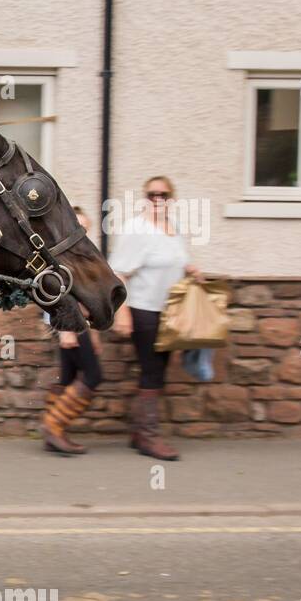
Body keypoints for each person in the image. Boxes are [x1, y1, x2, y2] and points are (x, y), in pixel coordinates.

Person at [108, 175, 201, 460]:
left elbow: (176, 259)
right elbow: (117, 273)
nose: (157, 200)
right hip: (144, 310)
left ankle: (139, 433)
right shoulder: (136, 229)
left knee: (157, 372)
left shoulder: (174, 228)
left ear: (172, 200)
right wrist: (122, 313)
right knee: (152, 372)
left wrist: (192, 270)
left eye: (163, 195)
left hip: (170, 313)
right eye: (151, 195)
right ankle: (148, 438)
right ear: (145, 198)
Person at [40, 207, 102, 454]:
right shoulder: (60, 257)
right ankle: (53, 426)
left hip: (80, 324)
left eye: (86, 227)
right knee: (93, 375)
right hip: (69, 324)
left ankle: (53, 433)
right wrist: (66, 329)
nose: (83, 232)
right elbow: (54, 292)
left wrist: (94, 332)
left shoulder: (81, 255)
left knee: (68, 376)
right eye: (79, 226)